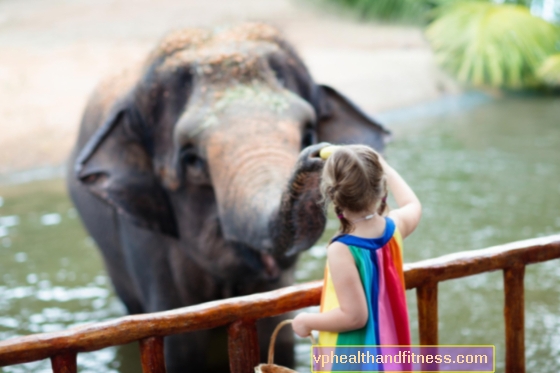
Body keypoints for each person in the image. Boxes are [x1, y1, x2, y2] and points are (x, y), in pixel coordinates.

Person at [292, 144, 421, 369]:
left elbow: (354, 317)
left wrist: (305, 321)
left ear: (333, 195)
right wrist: (382, 164)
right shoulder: (394, 227)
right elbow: (412, 203)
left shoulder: (341, 249)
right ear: (382, 186)